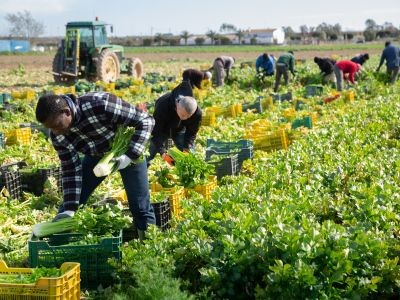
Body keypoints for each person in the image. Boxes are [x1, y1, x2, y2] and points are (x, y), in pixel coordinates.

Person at [35, 92, 156, 240]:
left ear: (66, 112)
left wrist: (130, 155)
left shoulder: (100, 104)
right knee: (70, 205)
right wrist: (69, 208)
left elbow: (146, 121)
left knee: (140, 206)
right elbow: (70, 169)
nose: (55, 131)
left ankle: (149, 244)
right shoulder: (58, 136)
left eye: (57, 126)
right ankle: (58, 246)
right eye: (50, 128)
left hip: (127, 150)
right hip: (96, 156)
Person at [148, 81, 202, 163]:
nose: (185, 118)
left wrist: (187, 149)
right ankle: (142, 170)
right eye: (183, 115)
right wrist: (163, 153)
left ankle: (187, 173)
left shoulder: (197, 113)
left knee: (190, 155)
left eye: (188, 117)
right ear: (177, 106)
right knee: (150, 152)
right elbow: (155, 132)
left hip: (179, 129)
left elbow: (191, 132)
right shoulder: (163, 105)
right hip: (162, 129)